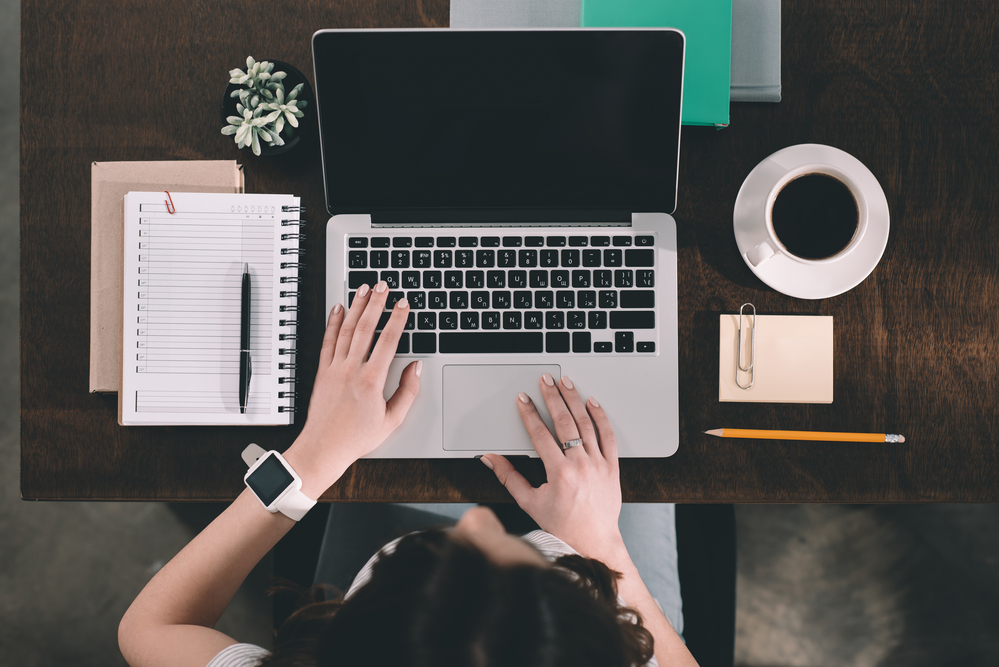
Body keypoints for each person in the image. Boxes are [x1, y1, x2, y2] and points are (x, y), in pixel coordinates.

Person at [118, 280, 699, 667]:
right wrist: (602, 550)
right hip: (595, 561)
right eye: (520, 564)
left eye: (438, 558)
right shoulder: (593, 629)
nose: (477, 519)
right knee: (632, 463)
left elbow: (147, 629)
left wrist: (309, 460)